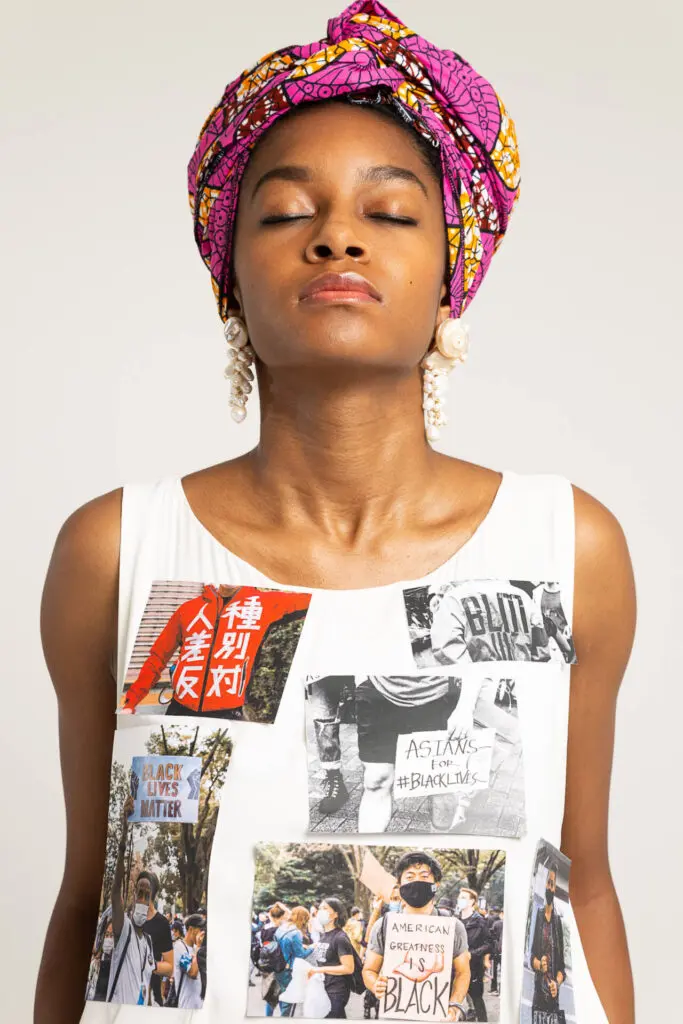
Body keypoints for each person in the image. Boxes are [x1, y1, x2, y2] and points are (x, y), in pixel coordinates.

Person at [36, 3, 636, 1022]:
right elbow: (92, 902)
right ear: (227, 275)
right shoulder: (118, 550)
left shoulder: (565, 547)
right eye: (283, 214)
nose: (336, 237)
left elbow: (577, 891)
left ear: (450, 272)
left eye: (390, 213)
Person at [120, 582, 311, 717]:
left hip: (228, 713)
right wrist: (132, 701)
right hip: (180, 709)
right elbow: (158, 658)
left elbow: (314, 600)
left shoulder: (264, 603)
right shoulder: (189, 609)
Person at [363, 851, 471, 1022]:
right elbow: (369, 970)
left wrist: (454, 1006)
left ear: (436, 883)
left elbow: (463, 973)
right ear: (399, 885)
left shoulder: (453, 927)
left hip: (438, 1017)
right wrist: (375, 984)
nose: (417, 881)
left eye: (424, 876)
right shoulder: (384, 925)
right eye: (410, 876)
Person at [106, 796, 156, 1004]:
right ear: (134, 897)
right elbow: (116, 891)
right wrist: (125, 830)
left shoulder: (149, 944)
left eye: (147, 895)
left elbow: (146, 987)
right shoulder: (123, 927)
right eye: (139, 893)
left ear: (151, 901)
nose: (142, 899)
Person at [306, 897, 356, 1018]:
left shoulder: (340, 938)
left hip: (336, 991)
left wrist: (320, 970)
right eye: (320, 908)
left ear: (335, 915)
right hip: (323, 988)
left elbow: (348, 968)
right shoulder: (324, 935)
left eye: (325, 908)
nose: (320, 911)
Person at [530, 865, 566, 1019]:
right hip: (538, 992)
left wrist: (556, 984)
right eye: (548, 883)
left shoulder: (558, 922)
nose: (549, 887)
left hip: (553, 997)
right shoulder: (536, 916)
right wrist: (539, 964)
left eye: (552, 883)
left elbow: (562, 969)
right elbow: (530, 957)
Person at [136, 870, 173, 1006]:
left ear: (153, 893)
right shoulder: (128, 919)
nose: (142, 893)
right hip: (128, 992)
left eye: (146, 889)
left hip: (152, 997)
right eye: (139, 888)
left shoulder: (162, 923)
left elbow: (169, 967)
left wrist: (148, 965)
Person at [456, 888, 491, 1021]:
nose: (460, 900)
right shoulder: (455, 920)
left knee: (477, 999)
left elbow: (489, 944)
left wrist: (473, 954)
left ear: (472, 902)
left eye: (464, 897)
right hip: (456, 968)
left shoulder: (480, 921)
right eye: (460, 897)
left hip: (474, 968)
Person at [489, 909, 503, 995]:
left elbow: (491, 935)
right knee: (503, 971)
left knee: (493, 970)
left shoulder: (496, 923)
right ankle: (501, 989)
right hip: (503, 950)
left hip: (495, 949)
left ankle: (493, 988)